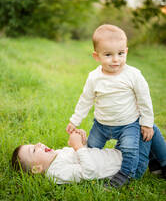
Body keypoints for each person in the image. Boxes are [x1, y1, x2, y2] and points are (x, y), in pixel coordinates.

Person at [66, 24, 154, 187]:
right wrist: (74, 121)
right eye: (108, 55)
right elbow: (85, 100)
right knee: (91, 147)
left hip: (128, 124)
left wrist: (147, 123)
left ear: (126, 52)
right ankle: (86, 166)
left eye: (120, 54)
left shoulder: (133, 75)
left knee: (129, 150)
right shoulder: (94, 77)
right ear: (96, 56)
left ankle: (125, 174)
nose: (116, 59)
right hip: (101, 125)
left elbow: (144, 100)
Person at [12, 126, 166, 186]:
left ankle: (154, 165)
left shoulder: (57, 154)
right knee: (148, 128)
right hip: (129, 167)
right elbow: (89, 171)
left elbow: (86, 154)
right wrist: (78, 147)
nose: (39, 144)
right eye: (33, 150)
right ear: (37, 168)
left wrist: (82, 141)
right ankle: (162, 164)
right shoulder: (56, 173)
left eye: (35, 144)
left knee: (130, 131)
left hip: (120, 155)